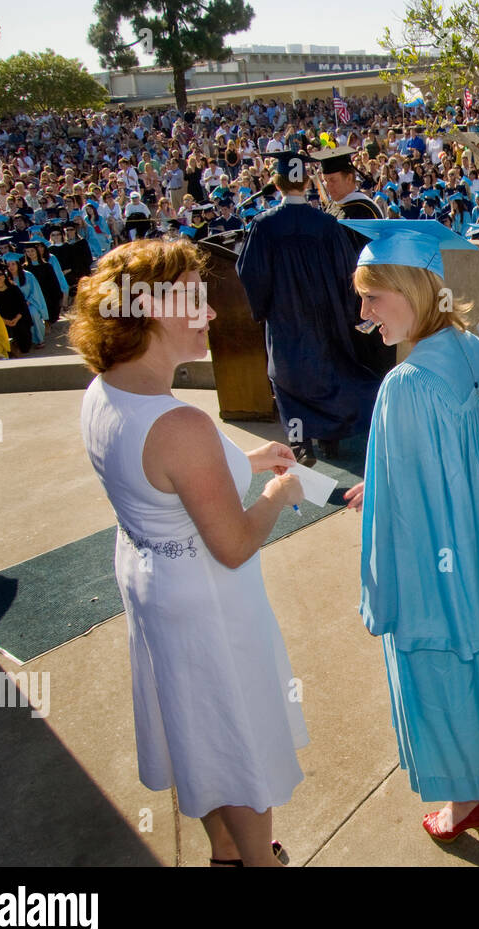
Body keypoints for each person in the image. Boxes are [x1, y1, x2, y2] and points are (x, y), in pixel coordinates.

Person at [73, 239, 308, 867]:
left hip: (152, 583)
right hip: (207, 601)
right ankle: (259, 862)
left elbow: (160, 482)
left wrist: (246, 461)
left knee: (193, 727)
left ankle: (224, 852)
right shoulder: (180, 425)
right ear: (148, 313)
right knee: (234, 737)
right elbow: (232, 545)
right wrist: (279, 494)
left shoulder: (103, 391)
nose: (209, 314)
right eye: (193, 302)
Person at [338, 219, 479, 846]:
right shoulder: (474, 350)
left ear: (413, 287)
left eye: (375, 296)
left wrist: (383, 588)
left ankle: (463, 799)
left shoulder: (406, 384)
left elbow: (405, 518)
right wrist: (389, 474)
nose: (365, 313)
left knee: (439, 665)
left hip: (434, 560)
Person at [235, 150, 383, 465]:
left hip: (285, 319)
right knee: (328, 375)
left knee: (289, 381)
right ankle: (330, 440)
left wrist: (264, 309)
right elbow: (348, 272)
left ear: (276, 182)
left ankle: (302, 444)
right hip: (324, 319)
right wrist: (343, 312)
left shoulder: (264, 225)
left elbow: (251, 273)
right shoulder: (326, 224)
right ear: (307, 182)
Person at [313, 146, 384, 218]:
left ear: (349, 178)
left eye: (332, 180)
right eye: (325, 180)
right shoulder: (331, 206)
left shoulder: (365, 210)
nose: (328, 186)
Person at [0, 262, 32, 356]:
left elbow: (22, 305)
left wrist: (16, 319)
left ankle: (18, 346)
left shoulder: (13, 288)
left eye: (0, 274)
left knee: (24, 342)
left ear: (4, 276)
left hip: (17, 318)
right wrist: (3, 321)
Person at [5, 253, 49, 349]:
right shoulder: (5, 278)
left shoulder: (28, 275)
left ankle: (39, 339)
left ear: (17, 264)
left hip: (30, 303)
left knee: (33, 313)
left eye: (13, 264)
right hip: (15, 306)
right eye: (8, 265)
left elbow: (35, 291)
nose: (11, 267)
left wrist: (28, 302)